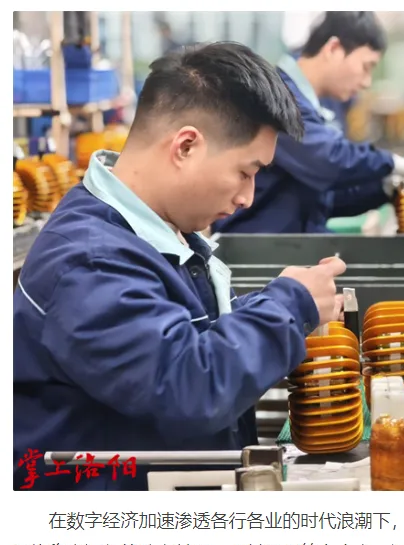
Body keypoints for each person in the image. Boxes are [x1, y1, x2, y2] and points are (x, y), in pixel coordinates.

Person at [13, 42, 346, 491]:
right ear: (186, 146)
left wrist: (270, 304)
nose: (247, 197)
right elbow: (189, 386)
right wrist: (290, 306)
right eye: (245, 172)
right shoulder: (89, 259)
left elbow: (181, 335)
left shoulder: (148, 234)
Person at [212, 11, 404, 235]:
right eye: (366, 66)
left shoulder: (313, 105)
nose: (366, 82)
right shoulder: (277, 99)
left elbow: (324, 197)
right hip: (256, 243)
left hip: (289, 238)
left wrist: (384, 188)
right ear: (334, 49)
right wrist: (393, 163)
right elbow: (329, 160)